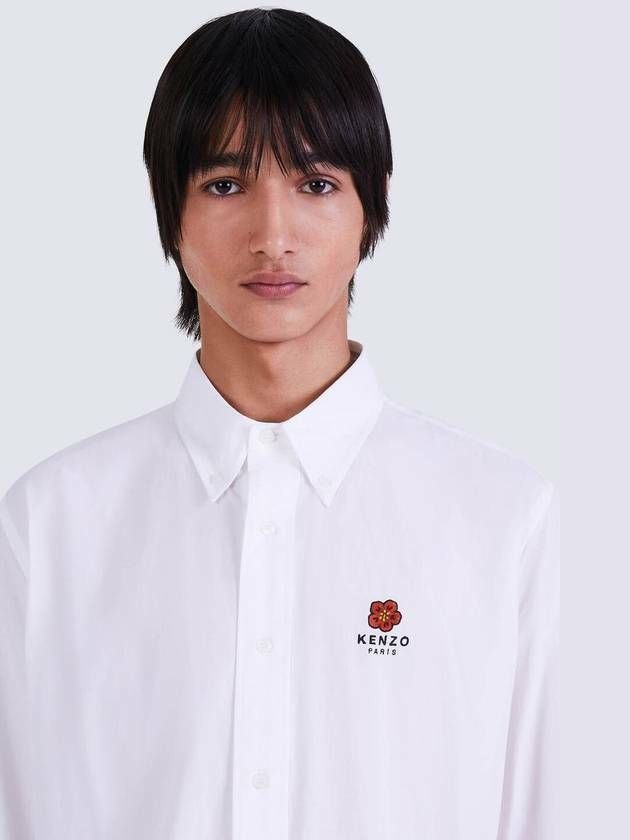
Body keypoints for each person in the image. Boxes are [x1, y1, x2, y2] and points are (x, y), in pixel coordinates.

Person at [0, 7, 559, 839]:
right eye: (225, 185)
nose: (273, 235)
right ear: (167, 206)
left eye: (316, 184)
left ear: (374, 203)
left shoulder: (501, 516)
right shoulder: (50, 526)